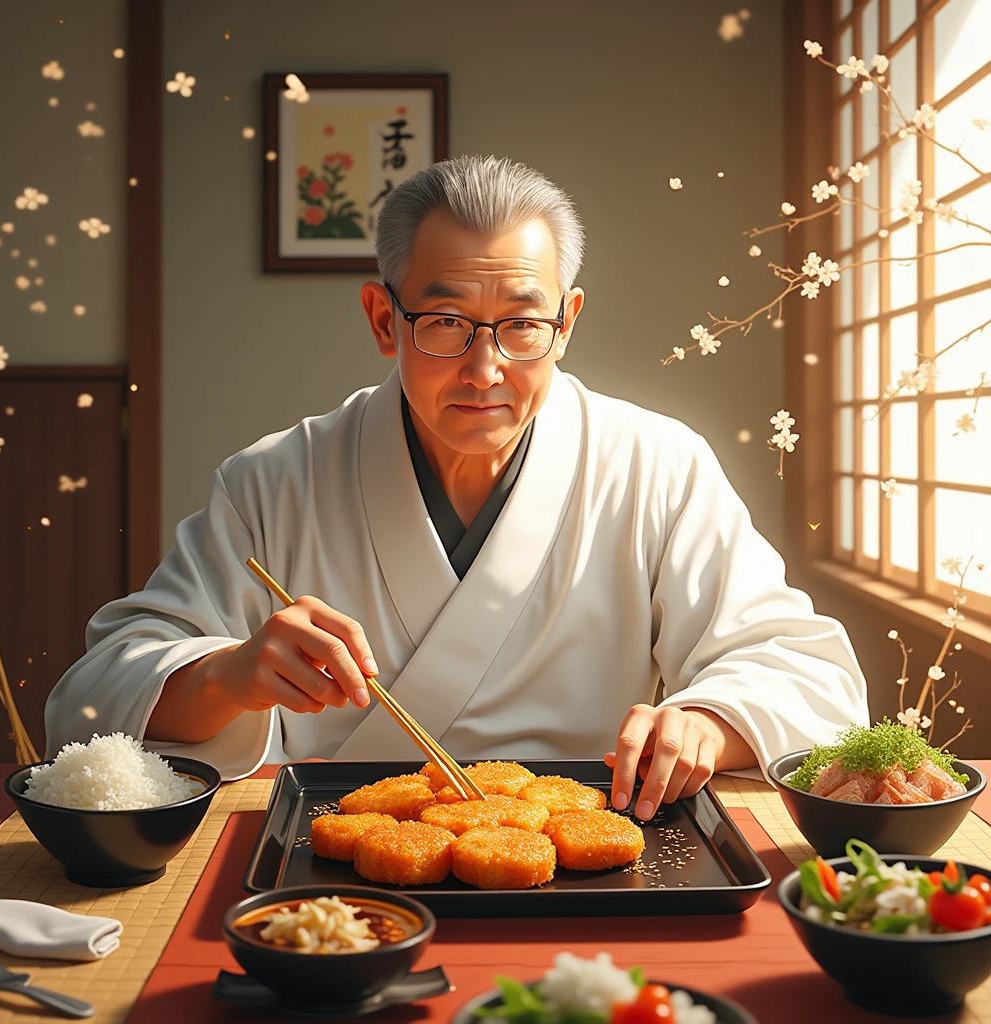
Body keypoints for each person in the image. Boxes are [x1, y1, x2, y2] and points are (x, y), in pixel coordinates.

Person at [44, 155, 868, 821]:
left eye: (523, 325)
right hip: (333, 862)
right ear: (384, 320)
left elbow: (808, 675)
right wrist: (230, 675)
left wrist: (708, 723)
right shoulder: (274, 480)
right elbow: (90, 702)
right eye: (444, 322)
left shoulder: (657, 466)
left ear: (567, 324)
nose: (485, 369)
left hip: (587, 852)